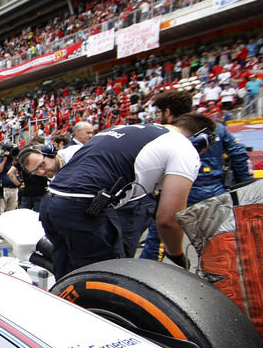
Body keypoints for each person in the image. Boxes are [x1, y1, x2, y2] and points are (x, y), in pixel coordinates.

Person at [39, 114, 215, 280]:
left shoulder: (127, 129)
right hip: (83, 208)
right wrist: (176, 254)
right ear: (201, 141)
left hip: (51, 202)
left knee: (66, 276)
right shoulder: (183, 147)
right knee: (103, 281)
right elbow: (168, 220)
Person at [139, 90, 252, 260]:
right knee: (222, 242)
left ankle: (144, 279)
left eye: (160, 112)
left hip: (177, 192)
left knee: (159, 240)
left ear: (168, 112)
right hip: (215, 192)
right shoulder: (217, 128)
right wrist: (244, 186)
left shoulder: (166, 133)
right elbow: (239, 153)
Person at [0, 145, 21, 214]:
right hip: (3, 188)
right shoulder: (2, 160)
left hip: (14, 189)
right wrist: (4, 159)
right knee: (0, 211)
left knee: (11, 212)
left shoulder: (15, 161)